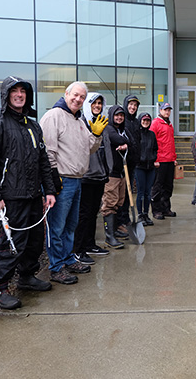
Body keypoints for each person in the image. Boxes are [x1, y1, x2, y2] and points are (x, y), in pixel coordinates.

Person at [0, 76, 56, 310]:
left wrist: (49, 190)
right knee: (9, 244)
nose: (20, 95)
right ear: (6, 95)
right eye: (15, 91)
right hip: (10, 198)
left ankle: (27, 276)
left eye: (23, 91)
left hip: (33, 196)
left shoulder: (33, 125)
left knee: (34, 242)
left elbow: (43, 160)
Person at [40, 81, 107, 284]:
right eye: (75, 95)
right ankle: (56, 266)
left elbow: (90, 148)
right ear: (66, 93)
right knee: (57, 226)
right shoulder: (54, 116)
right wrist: (52, 180)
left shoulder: (78, 120)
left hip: (78, 179)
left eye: (82, 97)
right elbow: (48, 150)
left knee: (71, 226)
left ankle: (69, 259)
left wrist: (96, 134)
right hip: (61, 179)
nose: (78, 99)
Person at [72, 93, 111, 267]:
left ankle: (89, 244)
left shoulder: (100, 121)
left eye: (100, 103)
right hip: (86, 176)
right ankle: (78, 250)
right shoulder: (82, 122)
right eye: (94, 103)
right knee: (84, 214)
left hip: (99, 175)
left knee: (93, 213)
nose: (98, 105)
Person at [100, 105, 131, 249]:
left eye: (121, 115)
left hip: (121, 173)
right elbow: (116, 139)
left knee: (119, 202)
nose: (119, 118)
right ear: (111, 116)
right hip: (111, 173)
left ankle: (115, 230)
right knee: (109, 204)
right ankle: (109, 237)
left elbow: (131, 141)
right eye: (117, 115)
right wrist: (124, 141)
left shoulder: (122, 130)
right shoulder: (109, 128)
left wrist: (125, 143)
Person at [116, 95, 141, 233]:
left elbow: (138, 141)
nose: (133, 107)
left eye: (135, 105)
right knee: (121, 194)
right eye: (130, 104)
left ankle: (125, 219)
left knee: (128, 192)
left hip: (132, 164)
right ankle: (120, 220)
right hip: (122, 163)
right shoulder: (122, 121)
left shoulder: (136, 122)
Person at [150, 103, 177, 220]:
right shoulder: (155, 123)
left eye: (169, 110)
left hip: (169, 160)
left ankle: (166, 209)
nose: (167, 112)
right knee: (158, 187)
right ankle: (156, 210)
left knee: (168, 186)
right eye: (165, 110)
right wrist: (154, 159)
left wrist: (174, 158)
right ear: (160, 110)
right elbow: (151, 142)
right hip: (160, 161)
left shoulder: (169, 124)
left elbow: (171, 143)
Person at [134, 112, 158, 225]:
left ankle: (146, 214)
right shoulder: (137, 134)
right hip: (140, 167)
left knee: (148, 192)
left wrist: (153, 158)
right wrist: (139, 159)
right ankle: (140, 215)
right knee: (141, 192)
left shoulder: (151, 134)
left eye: (148, 121)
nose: (145, 122)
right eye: (144, 120)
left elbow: (155, 148)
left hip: (150, 166)